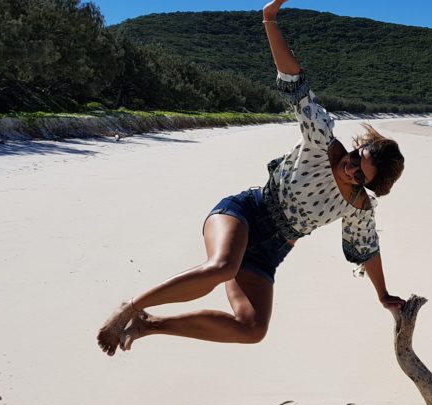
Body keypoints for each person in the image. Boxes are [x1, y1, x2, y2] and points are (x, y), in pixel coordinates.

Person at [97, 0, 406, 356]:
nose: (350, 167)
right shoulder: (322, 140)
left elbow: (368, 250)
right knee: (221, 266)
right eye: (356, 157)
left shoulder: (357, 205)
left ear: (366, 184)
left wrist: (383, 296)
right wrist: (269, 18)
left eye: (359, 174)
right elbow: (295, 82)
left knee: (252, 329)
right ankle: (130, 307)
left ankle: (148, 325)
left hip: (270, 251)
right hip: (244, 213)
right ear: (358, 147)